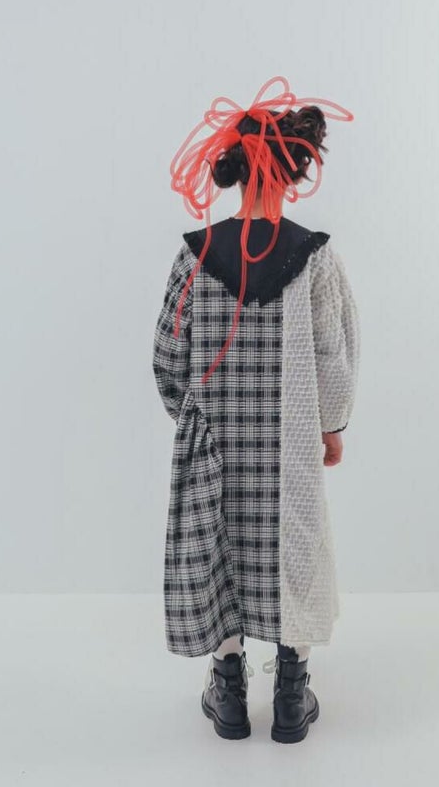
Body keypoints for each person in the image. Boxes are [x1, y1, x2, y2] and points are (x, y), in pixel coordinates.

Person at [152, 76, 360, 743]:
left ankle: (229, 689)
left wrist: (190, 417)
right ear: (292, 171)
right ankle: (292, 692)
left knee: (219, 553)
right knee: (292, 549)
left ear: (237, 168)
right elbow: (333, 350)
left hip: (214, 442)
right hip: (288, 443)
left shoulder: (194, 255)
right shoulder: (314, 257)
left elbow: (167, 353)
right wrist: (330, 424)